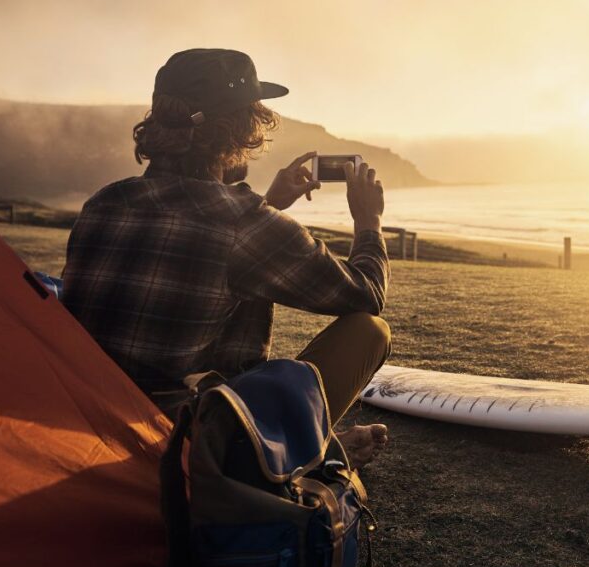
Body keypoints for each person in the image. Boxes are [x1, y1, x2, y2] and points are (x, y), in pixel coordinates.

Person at [61, 48, 389, 466]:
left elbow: (203, 246)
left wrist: (270, 203)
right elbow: (365, 293)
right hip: (191, 446)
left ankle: (321, 444)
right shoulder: (242, 220)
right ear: (239, 130)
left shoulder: (104, 202)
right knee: (370, 329)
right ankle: (298, 451)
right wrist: (368, 221)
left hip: (88, 424)